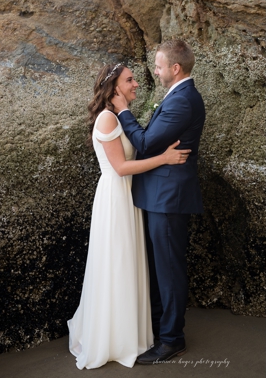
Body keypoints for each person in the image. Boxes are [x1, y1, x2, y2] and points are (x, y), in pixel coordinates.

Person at [68, 63, 190, 369]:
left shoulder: (119, 115)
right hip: (115, 196)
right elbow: (121, 167)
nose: (136, 84)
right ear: (115, 88)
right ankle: (114, 336)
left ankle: (131, 332)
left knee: (128, 263)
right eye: (130, 80)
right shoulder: (108, 118)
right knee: (117, 263)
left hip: (127, 197)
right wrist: (164, 159)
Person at [113, 39, 206, 364]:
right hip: (161, 195)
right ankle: (158, 329)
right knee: (161, 267)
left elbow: (147, 142)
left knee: (168, 269)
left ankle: (171, 339)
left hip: (169, 197)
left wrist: (123, 111)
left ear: (174, 68)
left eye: (158, 66)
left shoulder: (182, 101)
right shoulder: (178, 97)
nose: (154, 71)